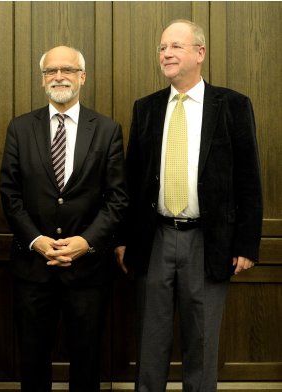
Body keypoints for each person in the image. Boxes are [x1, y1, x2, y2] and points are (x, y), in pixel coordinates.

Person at [115, 19, 262, 391]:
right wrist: (122, 239)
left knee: (202, 341)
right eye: (162, 47)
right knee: (151, 342)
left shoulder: (232, 105)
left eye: (175, 46)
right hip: (155, 239)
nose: (165, 53)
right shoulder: (145, 108)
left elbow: (249, 179)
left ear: (200, 53)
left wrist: (247, 244)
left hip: (208, 242)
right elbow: (131, 182)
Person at [0, 45, 128, 391]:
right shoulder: (20, 128)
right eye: (51, 71)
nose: (59, 76)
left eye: (68, 70)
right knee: (32, 360)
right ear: (42, 81)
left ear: (82, 77)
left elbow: (117, 198)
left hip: (87, 270)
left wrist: (86, 242)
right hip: (33, 268)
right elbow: (9, 195)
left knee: (87, 362)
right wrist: (37, 241)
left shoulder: (106, 129)